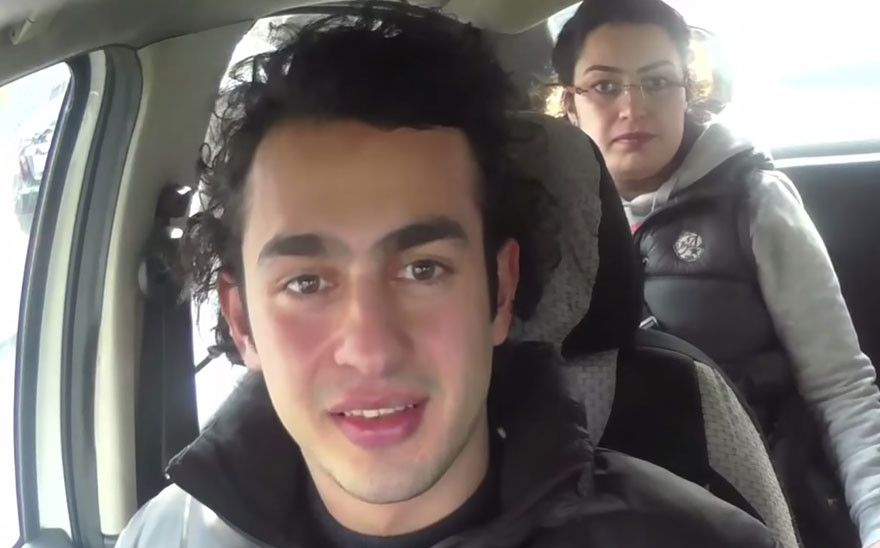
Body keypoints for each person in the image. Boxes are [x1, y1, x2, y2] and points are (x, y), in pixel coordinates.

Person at [115, 3, 781, 547]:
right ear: (241, 322)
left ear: (501, 291)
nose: (372, 350)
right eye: (307, 283)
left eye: (422, 269)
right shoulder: (164, 539)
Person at [552, 1, 880, 547]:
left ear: (687, 90)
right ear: (570, 103)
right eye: (605, 86)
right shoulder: (548, 226)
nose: (633, 107)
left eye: (658, 82)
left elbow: (840, 386)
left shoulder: (754, 199)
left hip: (765, 506)